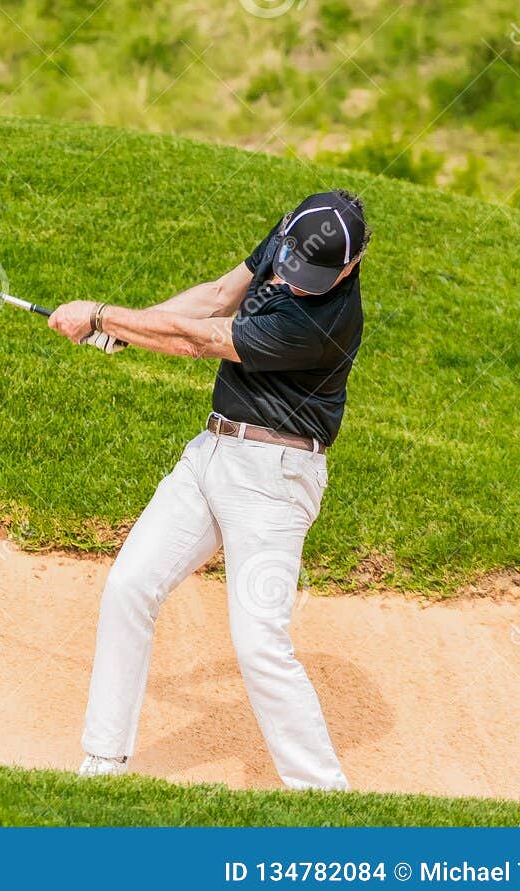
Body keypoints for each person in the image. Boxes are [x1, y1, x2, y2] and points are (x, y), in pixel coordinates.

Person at [46, 190, 369, 790]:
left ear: (350, 266)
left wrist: (102, 316)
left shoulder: (320, 323)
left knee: (258, 643)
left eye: (314, 277)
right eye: (291, 266)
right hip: (212, 451)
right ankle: (102, 761)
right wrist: (125, 328)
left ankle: (324, 794)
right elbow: (220, 295)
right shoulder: (295, 234)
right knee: (130, 586)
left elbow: (202, 339)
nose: (295, 283)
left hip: (275, 478)